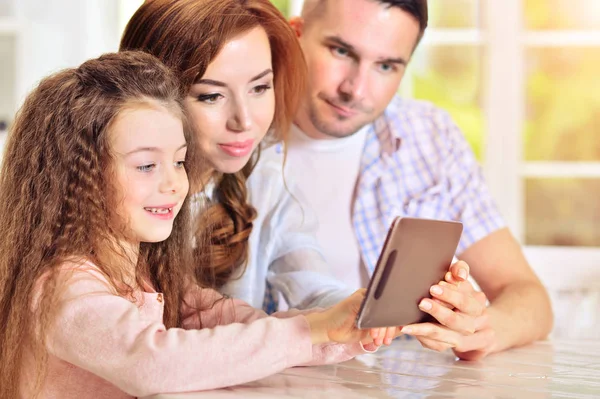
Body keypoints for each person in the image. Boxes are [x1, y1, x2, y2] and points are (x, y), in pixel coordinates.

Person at [0, 51, 398, 399]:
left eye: (178, 161)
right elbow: (151, 362)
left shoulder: (148, 276)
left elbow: (235, 329)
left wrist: (338, 331)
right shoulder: (61, 289)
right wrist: (309, 331)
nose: (174, 183)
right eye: (145, 165)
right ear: (77, 177)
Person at [265, 0, 553, 361]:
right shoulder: (234, 136)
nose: (356, 89)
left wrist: (475, 330)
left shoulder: (429, 136)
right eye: (341, 51)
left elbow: (529, 297)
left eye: (386, 65)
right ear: (295, 36)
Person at [120, 0, 359, 312]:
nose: (244, 121)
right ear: (147, 96)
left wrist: (378, 311)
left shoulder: (266, 181)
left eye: (260, 88)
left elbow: (316, 289)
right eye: (211, 96)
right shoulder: (103, 187)